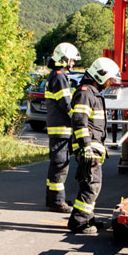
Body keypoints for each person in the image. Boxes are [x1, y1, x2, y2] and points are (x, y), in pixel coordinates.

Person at [68, 57, 121, 234]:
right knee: (91, 185)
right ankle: (79, 222)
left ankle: (88, 218)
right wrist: (85, 147)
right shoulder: (85, 93)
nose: (110, 83)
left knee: (91, 184)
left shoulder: (93, 93)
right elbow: (79, 122)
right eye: (109, 79)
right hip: (88, 148)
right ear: (100, 75)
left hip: (93, 146)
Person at [45, 43, 81, 212]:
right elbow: (66, 104)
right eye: (72, 60)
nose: (73, 63)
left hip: (58, 127)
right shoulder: (59, 77)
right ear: (64, 59)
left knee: (57, 164)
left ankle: (53, 198)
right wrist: (79, 119)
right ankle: (57, 201)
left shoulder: (57, 75)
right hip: (60, 128)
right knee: (60, 164)